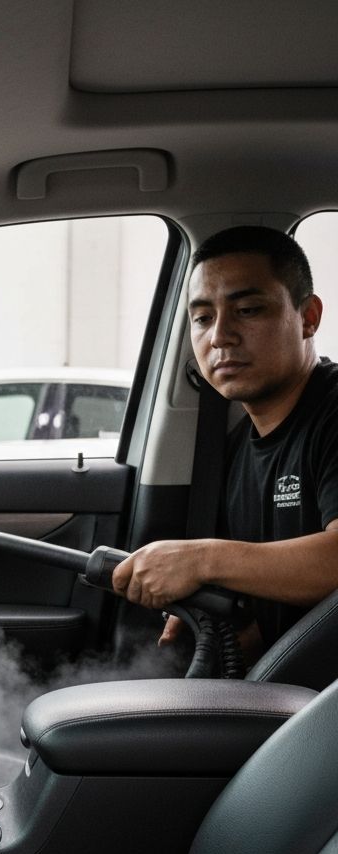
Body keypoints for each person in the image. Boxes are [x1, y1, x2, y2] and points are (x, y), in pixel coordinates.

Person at [112, 225, 338, 658]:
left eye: (248, 310)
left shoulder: (332, 413)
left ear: (308, 317)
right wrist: (218, 616)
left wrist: (201, 562)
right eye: (202, 318)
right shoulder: (238, 448)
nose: (219, 336)